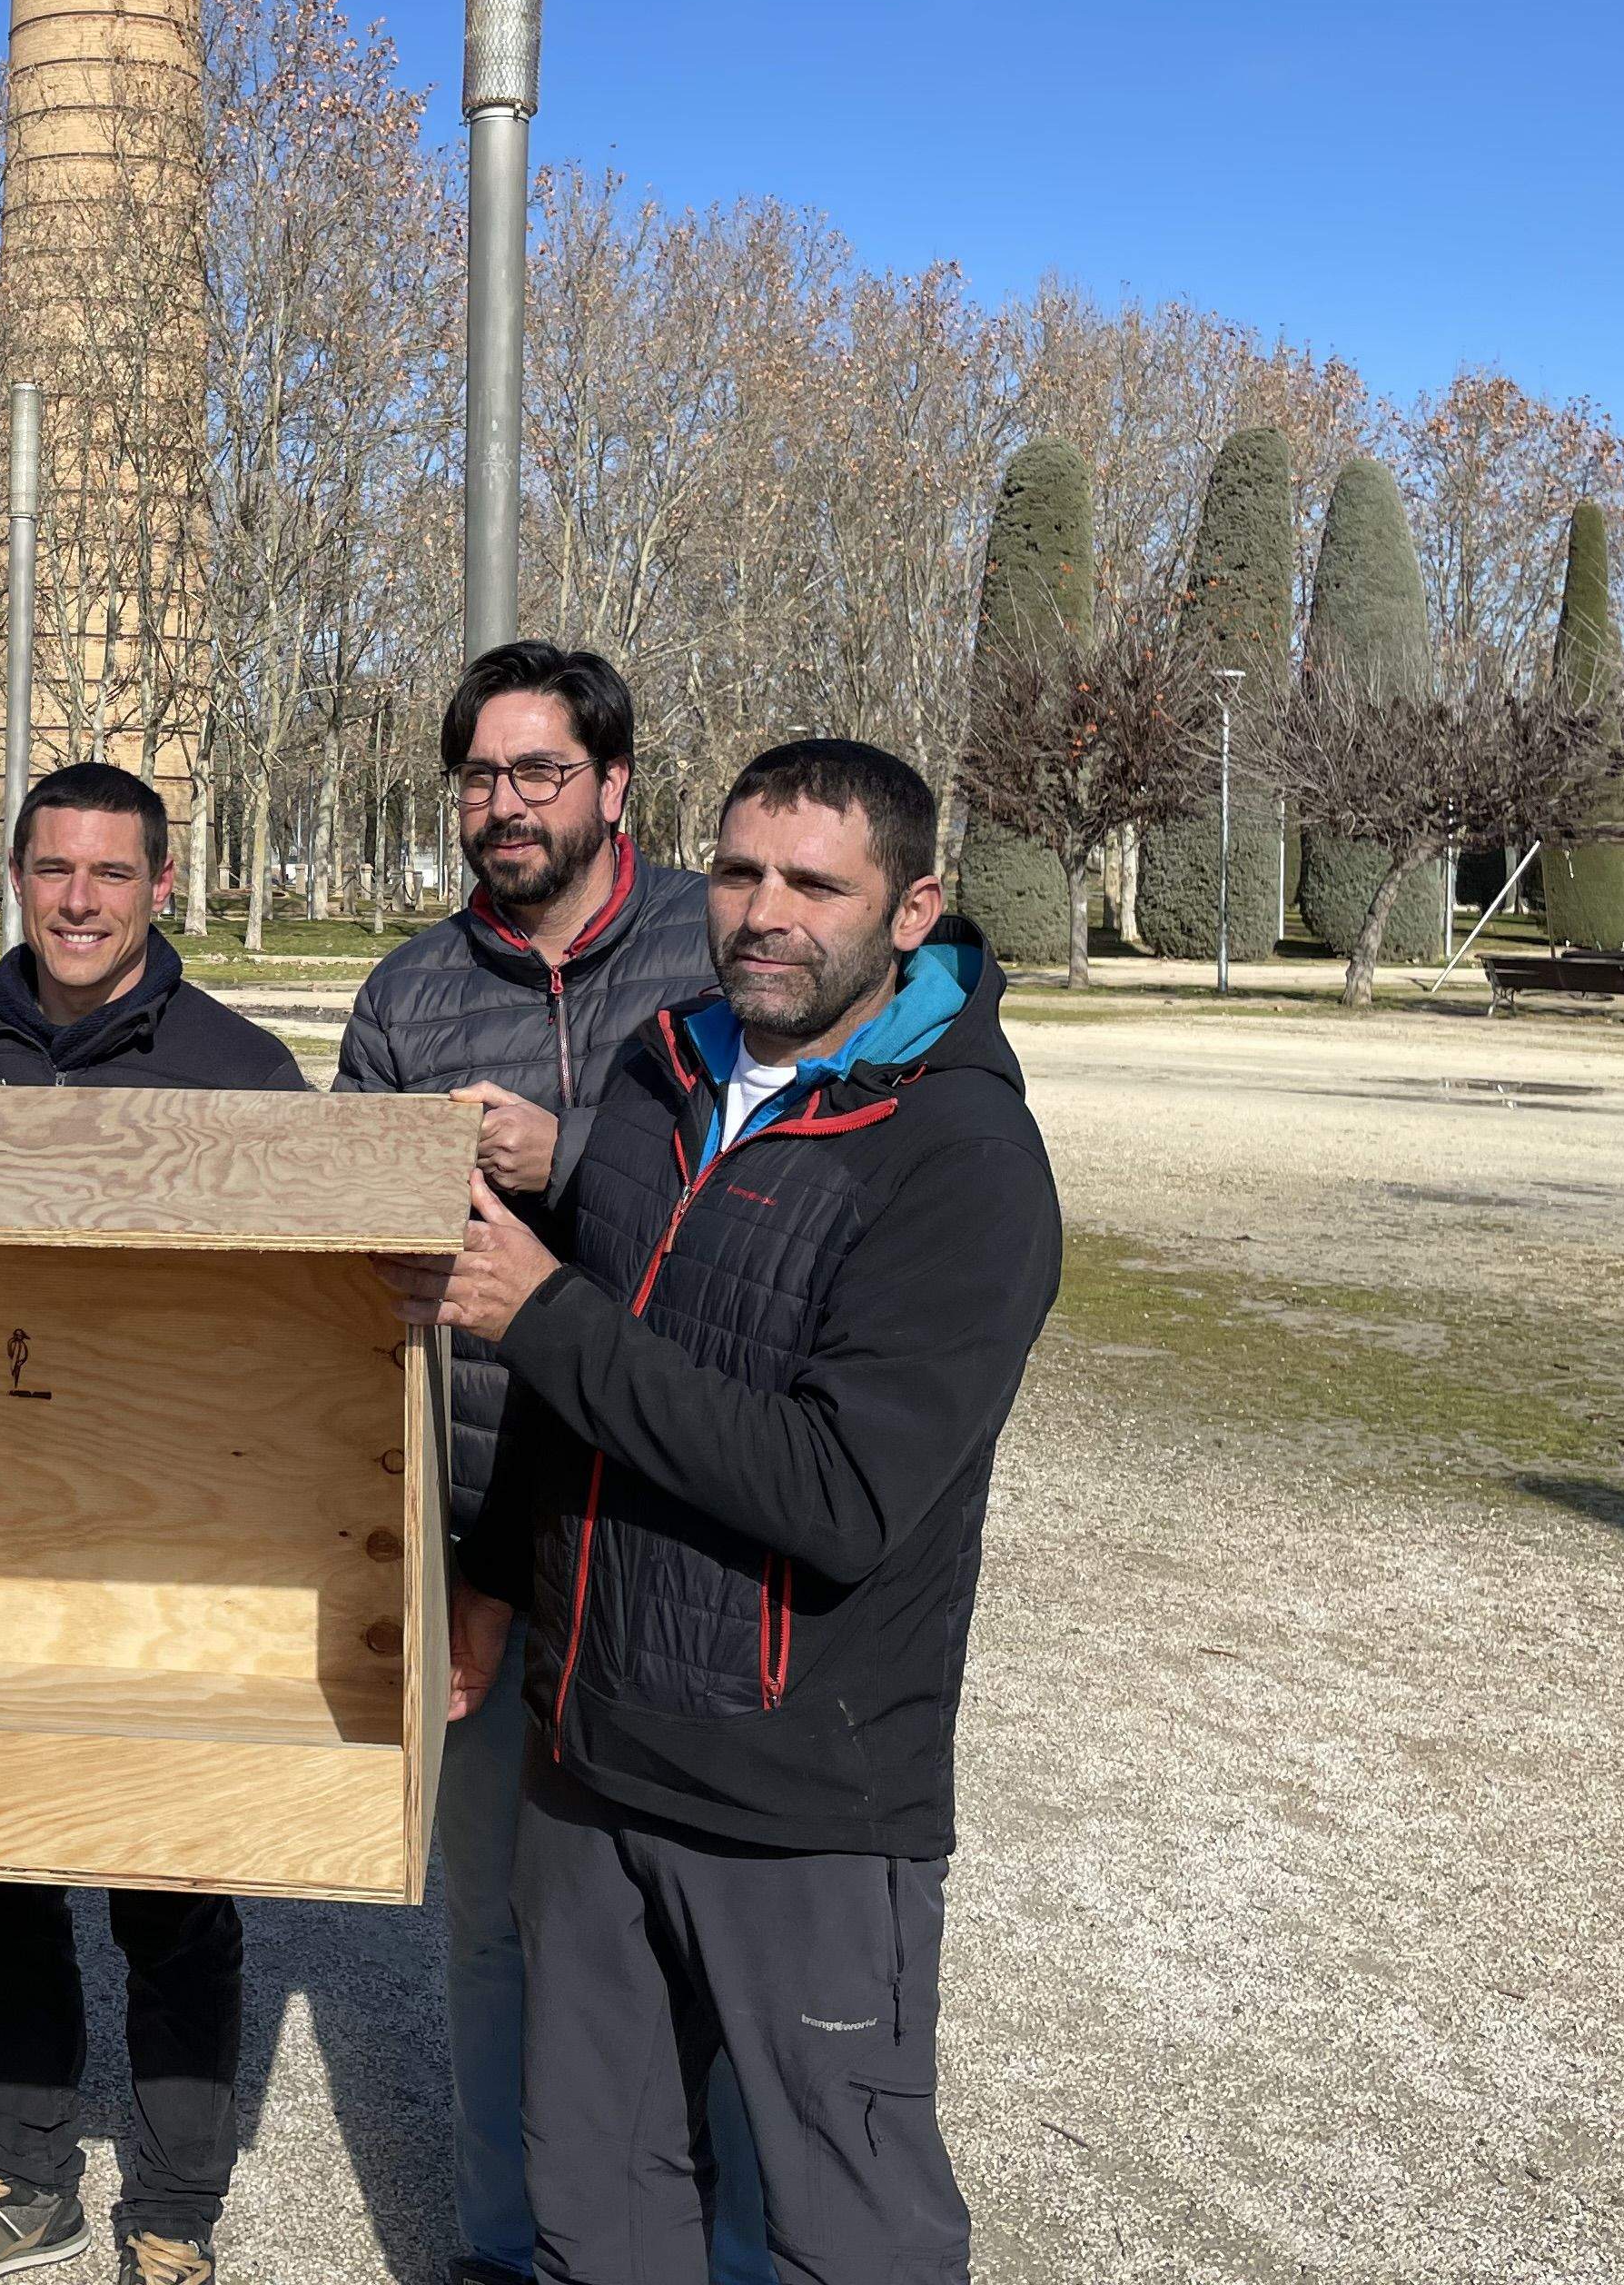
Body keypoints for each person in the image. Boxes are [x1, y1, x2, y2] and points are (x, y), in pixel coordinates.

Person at [378, 738, 1061, 2285]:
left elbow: (842, 1491)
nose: (767, 913)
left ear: (913, 910)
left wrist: (545, 1314)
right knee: (601, 2199)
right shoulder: (665, 1066)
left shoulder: (963, 1158)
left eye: (818, 885)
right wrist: (493, 1581)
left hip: (797, 1796)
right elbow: (571, 1390)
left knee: (842, 2221)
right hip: (590, 1750)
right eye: (742, 872)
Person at [0, 761, 303, 2285]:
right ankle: (24, 2176)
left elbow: (304, 1321)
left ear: (162, 884)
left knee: (172, 1879)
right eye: (53, 869)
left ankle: (173, 2212)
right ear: (16, 875)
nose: (79, 901)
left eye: (111, 872)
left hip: (171, 1539)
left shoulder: (243, 1073)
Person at [331, 641, 765, 2285]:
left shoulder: (719, 953)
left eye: (539, 773)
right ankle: (505, 2247)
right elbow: (349, 1284)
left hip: (680, 1533)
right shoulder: (408, 993)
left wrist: (570, 1157)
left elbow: (771, 1208)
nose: (505, 806)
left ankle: (727, 2251)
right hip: (474, 1536)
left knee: (706, 1938)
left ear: (615, 785)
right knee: (497, 1928)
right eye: (480, 778)